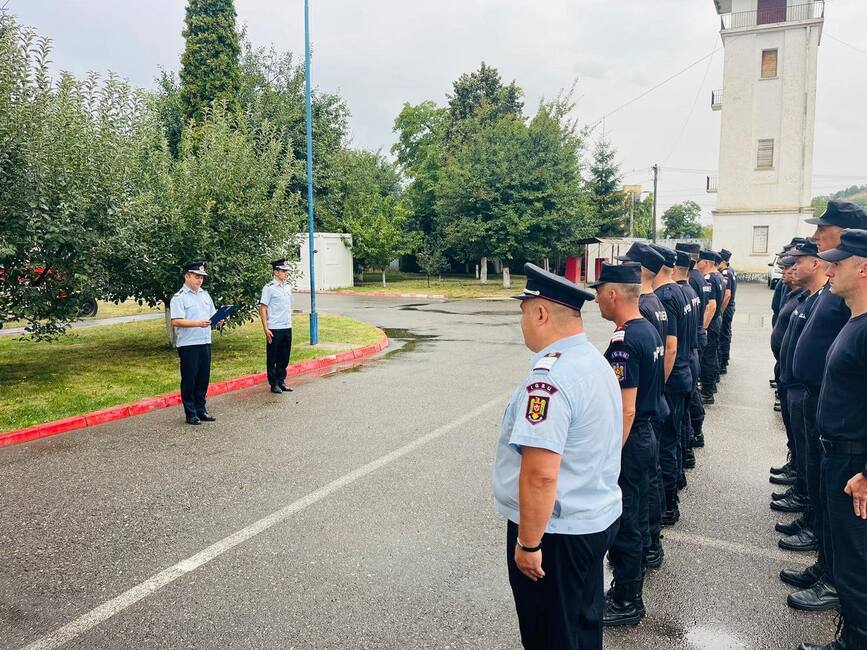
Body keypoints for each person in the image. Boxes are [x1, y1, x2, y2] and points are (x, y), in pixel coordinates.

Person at [492, 263, 622, 650]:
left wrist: (529, 544)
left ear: (541, 313)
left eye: (524, 314)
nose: (522, 324)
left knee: (550, 634)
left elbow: (539, 475)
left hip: (557, 532)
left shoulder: (548, 381)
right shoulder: (594, 361)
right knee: (581, 624)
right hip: (594, 516)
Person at [784, 202, 867, 615]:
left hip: (851, 442)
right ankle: (827, 570)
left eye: (824, 230)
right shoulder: (846, 304)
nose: (818, 241)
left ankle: (837, 588)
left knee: (853, 556)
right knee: (834, 526)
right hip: (829, 422)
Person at [592, 262, 664, 627]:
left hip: (632, 439)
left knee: (627, 520)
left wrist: (610, 454)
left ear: (614, 294)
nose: (596, 299)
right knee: (637, 511)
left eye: (599, 292)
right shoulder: (648, 330)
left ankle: (626, 600)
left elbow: (626, 408)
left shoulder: (625, 341)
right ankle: (627, 589)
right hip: (646, 435)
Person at [649, 244, 692, 525]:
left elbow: (670, 348)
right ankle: (673, 486)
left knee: (665, 443)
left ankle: (668, 504)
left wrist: (658, 386)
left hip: (673, 378)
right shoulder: (680, 290)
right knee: (673, 439)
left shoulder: (665, 295)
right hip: (684, 372)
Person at [170, 261, 218, 425]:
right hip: (189, 344)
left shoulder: (205, 295)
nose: (200, 280)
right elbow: (176, 321)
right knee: (190, 378)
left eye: (202, 277)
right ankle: (190, 413)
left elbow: (212, 315)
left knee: (203, 378)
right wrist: (198, 323)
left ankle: (201, 409)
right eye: (197, 277)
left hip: (205, 341)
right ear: (187, 276)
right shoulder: (179, 297)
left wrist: (220, 319)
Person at [673, 251, 702, 472]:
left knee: (677, 418)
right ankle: (687, 453)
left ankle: (683, 457)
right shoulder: (689, 291)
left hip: (682, 359)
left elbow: (671, 346)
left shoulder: (675, 294)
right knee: (683, 412)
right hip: (690, 356)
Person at [259, 259, 294, 394]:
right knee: (272, 357)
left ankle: (281, 380)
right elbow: (263, 308)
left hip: (287, 326)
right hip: (274, 327)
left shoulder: (288, 287)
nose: (286, 273)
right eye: (283, 271)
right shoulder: (268, 288)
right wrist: (265, 328)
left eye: (286, 271)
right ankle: (273, 383)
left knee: (284, 356)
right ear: (275, 272)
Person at [697, 251, 724, 404]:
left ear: (706, 262)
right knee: (711, 355)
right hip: (716, 321)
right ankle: (711, 385)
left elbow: (711, 305)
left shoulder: (709, 278)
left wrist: (704, 327)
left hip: (711, 322)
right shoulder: (718, 276)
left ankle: (707, 392)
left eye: (699, 261)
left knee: (707, 357)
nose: (697, 264)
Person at [718, 249, 737, 374]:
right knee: (727, 332)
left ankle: (723, 363)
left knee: (723, 334)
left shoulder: (725, 273)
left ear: (724, 261)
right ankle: (725, 358)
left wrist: (721, 311)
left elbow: (727, 294)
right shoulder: (731, 270)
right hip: (731, 306)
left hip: (727, 307)